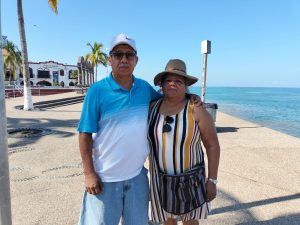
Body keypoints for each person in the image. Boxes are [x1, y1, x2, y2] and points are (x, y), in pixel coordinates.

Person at [77, 34, 201, 225]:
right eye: (118, 54)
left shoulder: (144, 88)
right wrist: (89, 174)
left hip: (137, 178)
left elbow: (168, 97)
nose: (124, 59)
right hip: (105, 179)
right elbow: (84, 134)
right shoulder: (97, 91)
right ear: (110, 59)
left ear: (136, 60)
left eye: (129, 54)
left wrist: (190, 96)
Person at [148, 59, 220, 225]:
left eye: (179, 80)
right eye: (168, 80)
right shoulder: (152, 108)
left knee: (190, 221)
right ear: (162, 84)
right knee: (167, 221)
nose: (173, 84)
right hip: (160, 181)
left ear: (186, 85)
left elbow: (213, 145)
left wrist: (212, 180)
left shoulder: (196, 109)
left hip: (190, 181)